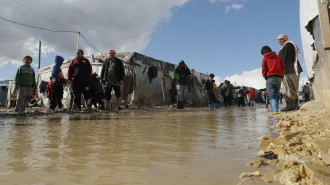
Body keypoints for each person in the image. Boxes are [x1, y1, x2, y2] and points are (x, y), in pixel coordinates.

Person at [278, 34, 303, 111]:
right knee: (287, 88)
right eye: (278, 40)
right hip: (286, 71)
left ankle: (293, 106)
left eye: (281, 39)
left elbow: (286, 57)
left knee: (292, 88)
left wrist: (281, 68)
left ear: (285, 38)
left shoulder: (289, 45)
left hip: (291, 70)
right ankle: (290, 105)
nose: (279, 41)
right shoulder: (282, 47)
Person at [261, 46, 285, 114]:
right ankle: (276, 109)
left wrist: (265, 76)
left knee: (272, 94)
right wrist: (282, 75)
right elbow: (283, 67)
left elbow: (264, 69)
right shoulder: (278, 57)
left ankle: (275, 110)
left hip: (270, 77)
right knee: (277, 93)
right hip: (279, 77)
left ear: (263, 52)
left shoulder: (265, 59)